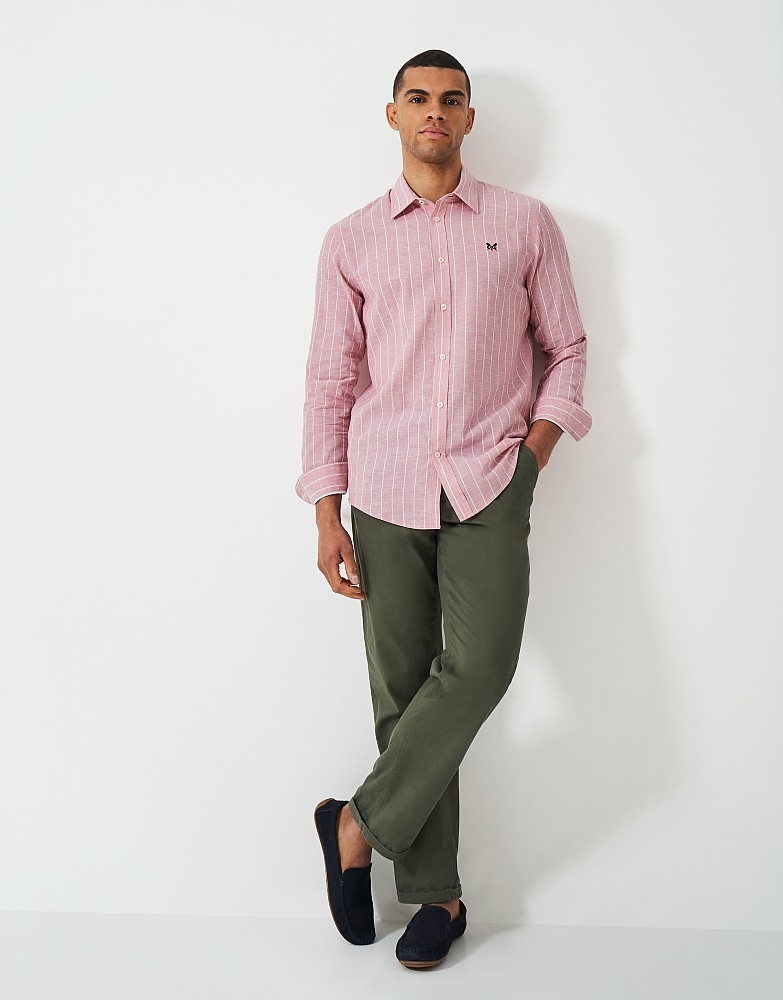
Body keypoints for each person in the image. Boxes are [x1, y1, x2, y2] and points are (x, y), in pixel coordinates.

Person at [297, 49, 591, 969]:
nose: (434, 111)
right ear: (392, 116)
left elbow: (568, 349)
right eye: (417, 98)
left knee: (478, 665)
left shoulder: (523, 223)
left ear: (468, 119)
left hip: (489, 480)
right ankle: (438, 895)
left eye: (451, 100)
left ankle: (354, 825)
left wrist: (531, 459)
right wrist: (325, 510)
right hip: (382, 485)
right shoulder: (350, 240)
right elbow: (329, 379)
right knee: (401, 689)